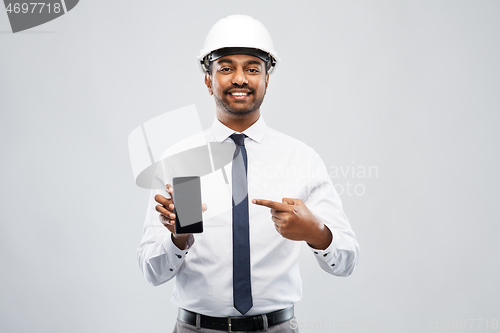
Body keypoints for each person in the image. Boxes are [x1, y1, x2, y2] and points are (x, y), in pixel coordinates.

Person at [137, 15, 360, 333]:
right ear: (208, 80)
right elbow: (152, 272)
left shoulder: (301, 158)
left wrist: (316, 232)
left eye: (252, 68)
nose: (239, 78)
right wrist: (178, 237)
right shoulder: (179, 161)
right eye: (226, 68)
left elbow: (347, 261)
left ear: (267, 79)